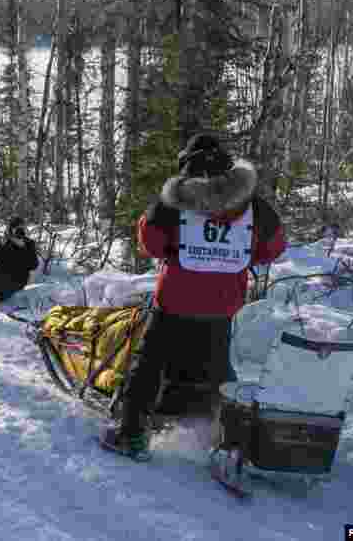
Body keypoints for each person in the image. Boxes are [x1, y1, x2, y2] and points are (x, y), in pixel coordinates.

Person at [101, 133, 286, 460]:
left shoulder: (174, 201)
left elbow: (151, 243)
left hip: (175, 301)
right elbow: (273, 248)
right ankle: (230, 437)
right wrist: (235, 260)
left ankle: (131, 433)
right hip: (223, 304)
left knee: (149, 364)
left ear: (187, 164)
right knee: (218, 370)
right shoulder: (253, 205)